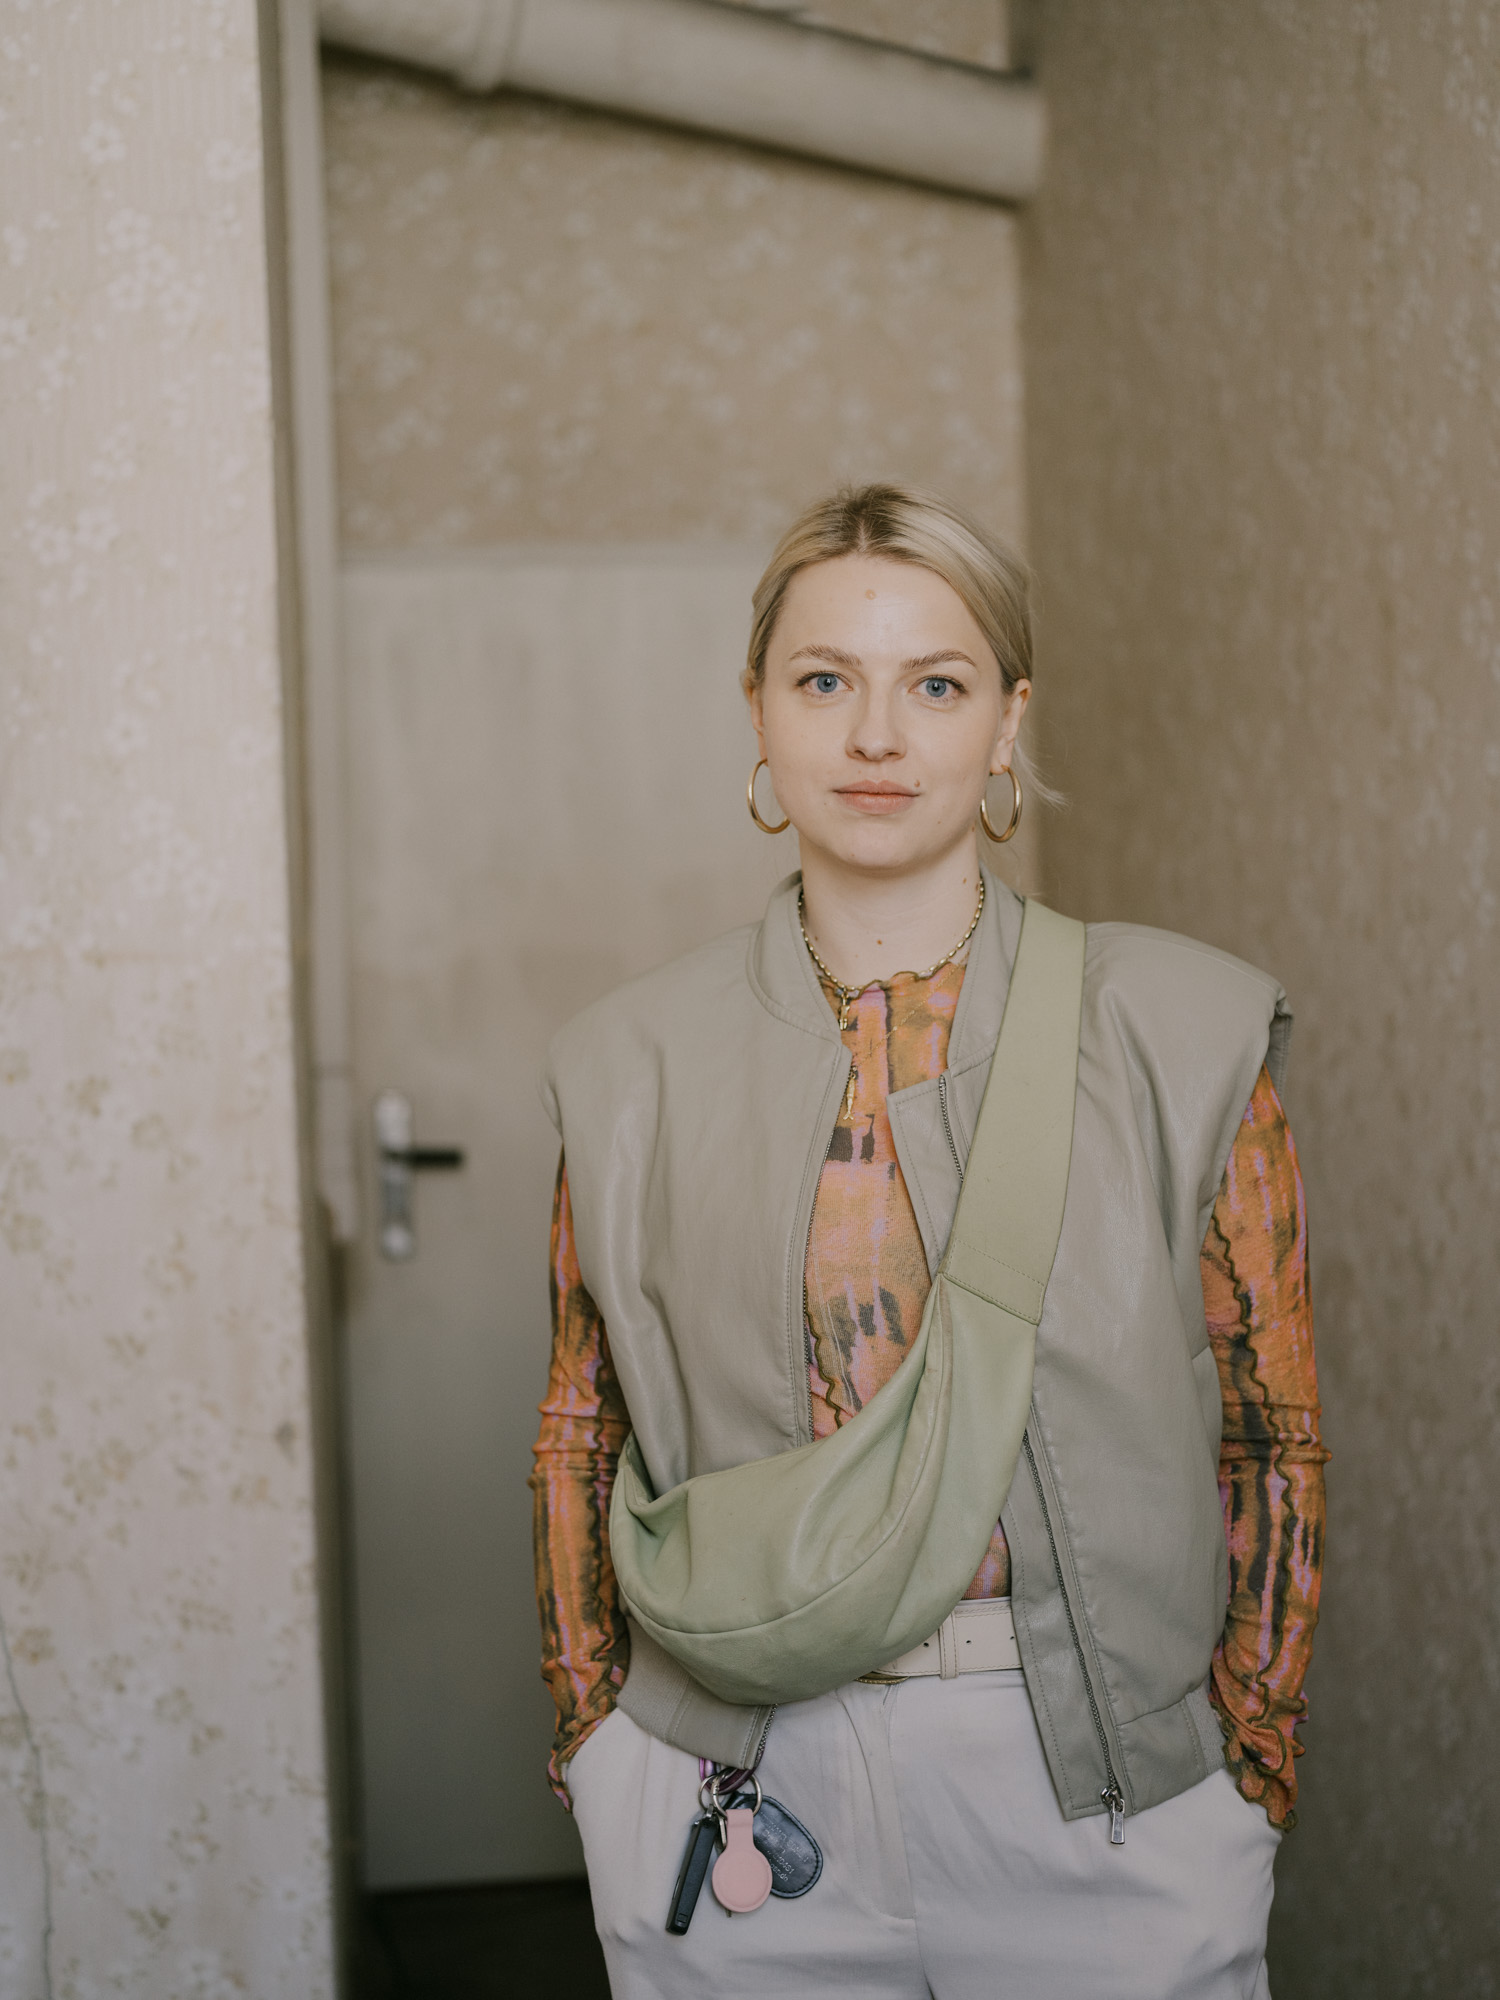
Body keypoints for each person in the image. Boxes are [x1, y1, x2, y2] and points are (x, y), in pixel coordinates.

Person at [531, 483, 1326, 1999]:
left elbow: (1271, 1428)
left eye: (938, 686)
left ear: (1009, 722)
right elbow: (582, 1423)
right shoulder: (630, 1059)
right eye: (826, 680)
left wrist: (1254, 1753)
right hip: (730, 1776)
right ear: (758, 712)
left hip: (1106, 1792)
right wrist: (594, 1740)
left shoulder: (1181, 1028)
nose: (877, 736)